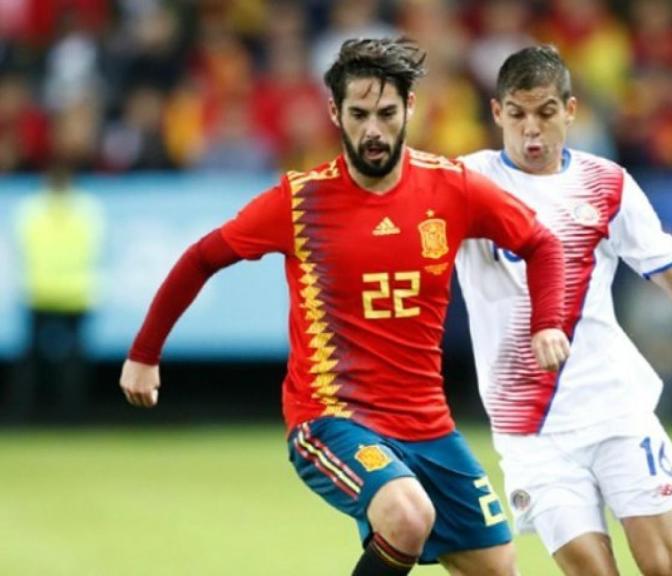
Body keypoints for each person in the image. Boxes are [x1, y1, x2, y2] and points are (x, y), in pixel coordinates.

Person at [119, 38, 571, 576]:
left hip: (428, 425)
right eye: (358, 114)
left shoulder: (452, 188)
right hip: (332, 417)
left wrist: (547, 323)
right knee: (408, 514)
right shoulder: (301, 201)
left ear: (410, 108)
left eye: (386, 113)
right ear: (335, 113)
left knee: (499, 568)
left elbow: (542, 243)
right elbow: (202, 258)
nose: (373, 130)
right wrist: (145, 353)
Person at [455, 46, 672, 576]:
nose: (532, 130)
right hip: (530, 432)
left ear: (571, 111)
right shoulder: (465, 182)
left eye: (546, 113)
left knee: (668, 567)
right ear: (497, 113)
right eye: (518, 113)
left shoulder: (608, 184)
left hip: (614, 409)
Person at [10, 161, 104, 423]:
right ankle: (73, 417)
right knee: (75, 361)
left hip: (39, 290)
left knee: (31, 360)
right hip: (77, 292)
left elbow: (21, 246)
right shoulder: (87, 209)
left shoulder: (31, 209)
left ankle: (24, 415)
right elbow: (96, 247)